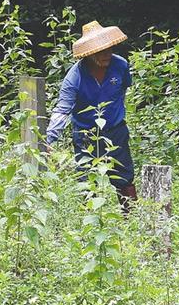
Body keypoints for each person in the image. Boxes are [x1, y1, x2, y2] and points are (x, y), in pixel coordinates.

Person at [45, 20, 138, 214]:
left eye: (109, 49)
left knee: (124, 177)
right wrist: (49, 140)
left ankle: (131, 219)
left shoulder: (120, 65)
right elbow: (63, 110)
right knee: (86, 179)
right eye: (100, 51)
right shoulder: (74, 77)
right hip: (85, 133)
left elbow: (123, 88)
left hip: (116, 130)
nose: (106, 54)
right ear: (89, 54)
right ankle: (91, 223)